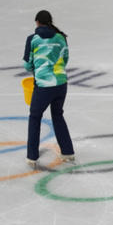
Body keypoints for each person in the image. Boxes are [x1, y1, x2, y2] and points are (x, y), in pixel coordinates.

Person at [23, 10, 75, 169]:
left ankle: (32, 156)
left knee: (35, 117)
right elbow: (65, 59)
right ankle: (67, 152)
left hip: (44, 86)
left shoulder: (33, 39)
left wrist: (38, 68)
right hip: (60, 84)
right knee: (58, 115)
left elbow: (27, 65)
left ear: (37, 22)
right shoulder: (61, 37)